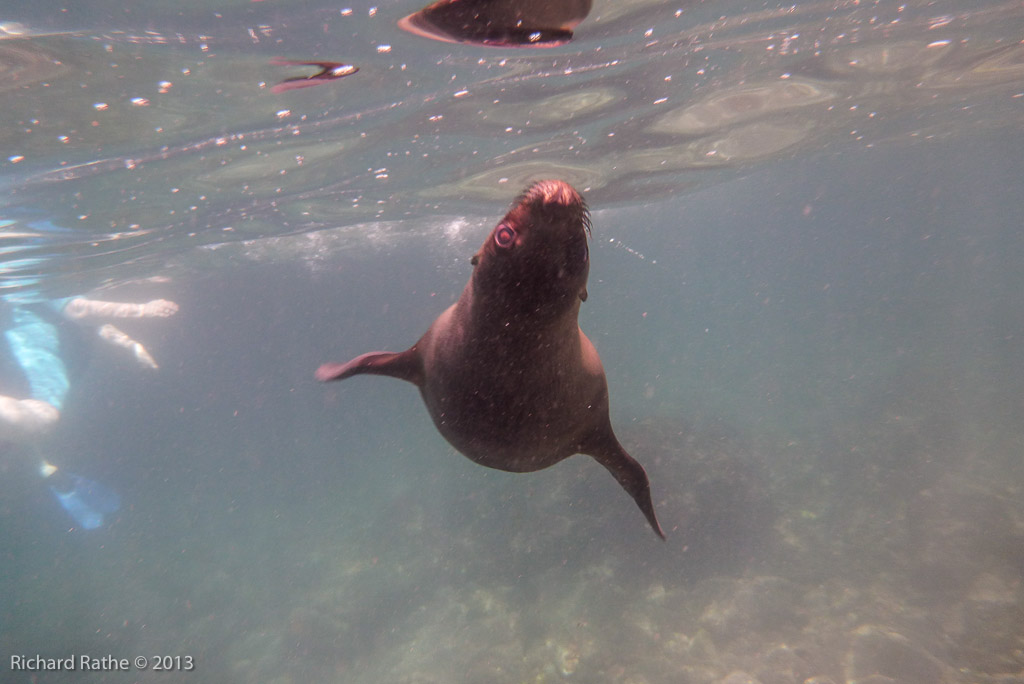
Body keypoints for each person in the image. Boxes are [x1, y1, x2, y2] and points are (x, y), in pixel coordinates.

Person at [0, 294, 179, 529]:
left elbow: (92, 321)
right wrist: (143, 309)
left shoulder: (35, 292)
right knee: (44, 418)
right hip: (38, 361)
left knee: (24, 434)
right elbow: (80, 310)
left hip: (33, 359)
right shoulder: (35, 281)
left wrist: (131, 345)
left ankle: (46, 471)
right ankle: (46, 472)